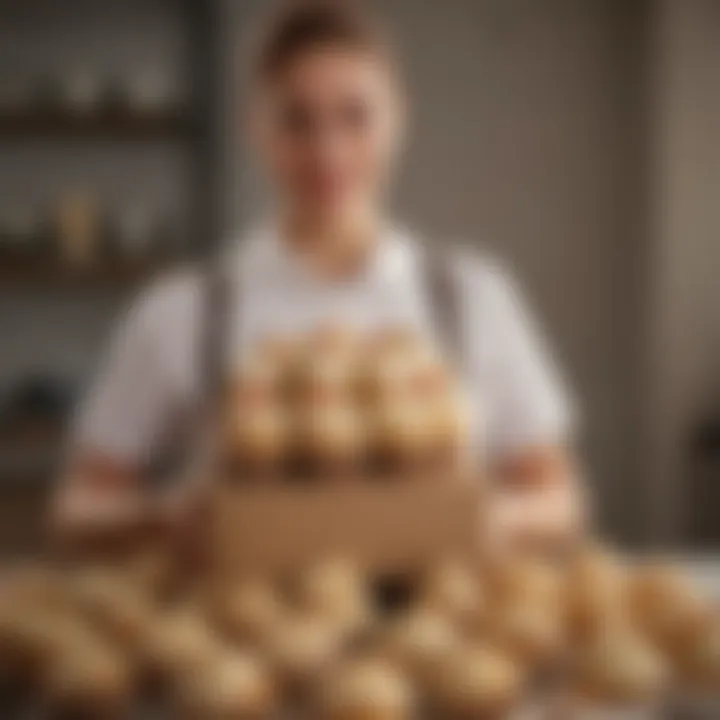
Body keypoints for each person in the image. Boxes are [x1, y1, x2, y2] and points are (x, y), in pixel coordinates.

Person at [54, 0, 585, 552]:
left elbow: (558, 499)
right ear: (255, 128)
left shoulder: (474, 297)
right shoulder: (182, 310)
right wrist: (165, 517)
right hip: (244, 626)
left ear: (399, 119)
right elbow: (79, 508)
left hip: (438, 626)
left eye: (355, 116)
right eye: (296, 120)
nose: (327, 152)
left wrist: (489, 518)